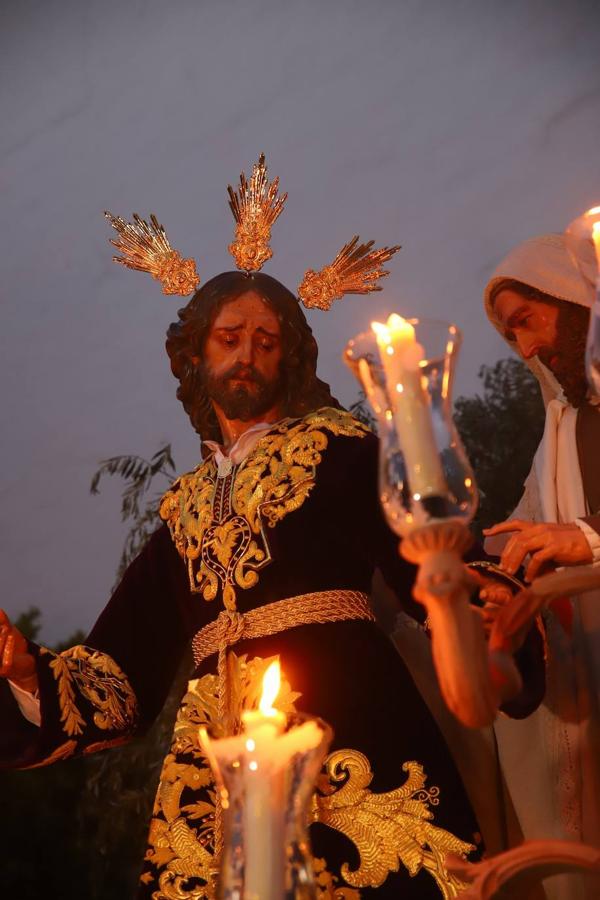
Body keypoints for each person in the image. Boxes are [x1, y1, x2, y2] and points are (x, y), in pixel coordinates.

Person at [0, 157, 541, 899]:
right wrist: (31, 673)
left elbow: (434, 559)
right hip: (215, 779)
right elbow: (119, 674)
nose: (247, 353)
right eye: (229, 338)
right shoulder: (182, 511)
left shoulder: (345, 452)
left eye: (265, 339)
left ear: (289, 356)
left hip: (353, 742)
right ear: (197, 355)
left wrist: (487, 614)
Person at [482, 232, 600, 900]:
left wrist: (583, 539)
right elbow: (521, 539)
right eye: (509, 337)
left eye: (525, 320)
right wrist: (480, 578)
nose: (524, 349)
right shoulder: (555, 432)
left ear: (570, 291)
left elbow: (571, 538)